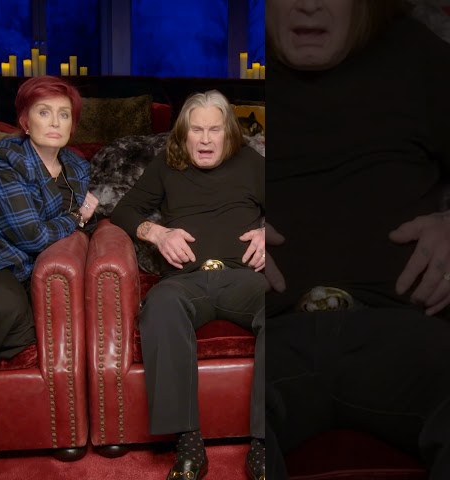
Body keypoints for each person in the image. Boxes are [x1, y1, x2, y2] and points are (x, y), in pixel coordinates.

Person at [264, 0, 450, 478]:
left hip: (408, 332)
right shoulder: (226, 71)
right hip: (267, 339)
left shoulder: (418, 56)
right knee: (215, 423)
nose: (309, 5)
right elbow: (155, 189)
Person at [111, 90, 266, 480]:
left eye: (215, 129)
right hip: (184, 282)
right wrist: (157, 233)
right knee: (160, 307)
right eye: (196, 130)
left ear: (229, 132)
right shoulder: (167, 164)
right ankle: (188, 443)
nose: (206, 139)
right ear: (183, 133)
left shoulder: (251, 162)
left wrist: (271, 235)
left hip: (245, 280)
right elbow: (124, 210)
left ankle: (265, 444)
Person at [0, 75, 98, 360]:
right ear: (25, 122)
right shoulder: (7, 162)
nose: (55, 122)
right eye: (44, 112)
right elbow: (33, 236)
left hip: (34, 272)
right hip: (0, 262)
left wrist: (83, 219)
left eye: (64, 115)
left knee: (26, 330)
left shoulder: (77, 166)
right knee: (7, 311)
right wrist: (75, 217)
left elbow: (92, 218)